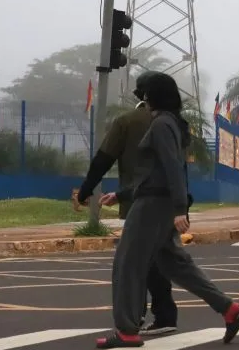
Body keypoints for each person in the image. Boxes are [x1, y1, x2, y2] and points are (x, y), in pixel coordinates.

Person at [95, 72, 239, 349]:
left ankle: (127, 331)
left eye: (143, 92)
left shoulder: (162, 124)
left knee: (127, 263)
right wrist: (121, 195)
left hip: (153, 206)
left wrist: (180, 208)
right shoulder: (169, 123)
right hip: (159, 202)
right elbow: (154, 172)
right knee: (174, 264)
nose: (141, 98)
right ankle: (230, 310)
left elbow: (172, 168)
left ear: (153, 95)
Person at [73, 71, 181, 336]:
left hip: (141, 203)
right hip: (167, 204)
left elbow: (103, 159)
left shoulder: (127, 122)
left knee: (132, 263)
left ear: (141, 95)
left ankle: (134, 321)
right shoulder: (174, 122)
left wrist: (86, 190)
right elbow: (176, 167)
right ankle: (177, 312)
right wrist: (181, 206)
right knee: (167, 261)